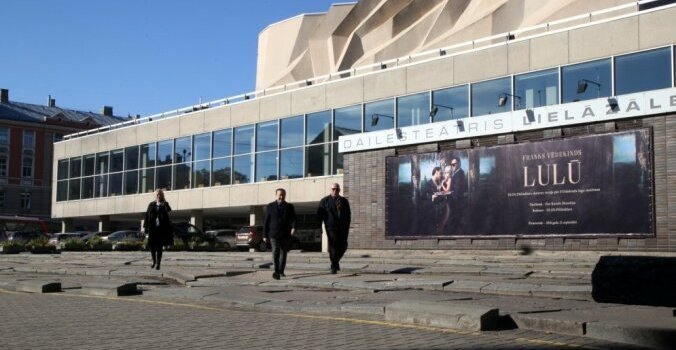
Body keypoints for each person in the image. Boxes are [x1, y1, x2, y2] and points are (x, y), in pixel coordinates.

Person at [317, 183, 351, 274]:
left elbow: (348, 216)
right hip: (330, 226)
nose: (334, 191)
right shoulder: (324, 201)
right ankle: (334, 267)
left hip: (342, 227)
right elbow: (319, 216)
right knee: (333, 245)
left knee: (343, 245)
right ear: (330, 190)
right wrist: (319, 228)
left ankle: (335, 262)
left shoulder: (344, 201)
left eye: (336, 189)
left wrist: (347, 227)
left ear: (339, 190)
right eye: (333, 189)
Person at [263, 188, 296, 280]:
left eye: (283, 195)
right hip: (274, 234)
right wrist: (264, 235)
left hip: (285, 234)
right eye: (280, 195)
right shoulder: (270, 206)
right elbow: (266, 221)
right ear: (276, 195)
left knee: (283, 253)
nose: (281, 197)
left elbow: (294, 219)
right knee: (275, 252)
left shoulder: (289, 207)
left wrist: (293, 227)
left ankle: (281, 271)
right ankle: (276, 271)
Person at [143, 189, 173, 270]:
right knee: (152, 246)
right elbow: (147, 216)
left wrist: (164, 202)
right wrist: (145, 227)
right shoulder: (151, 204)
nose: (158, 196)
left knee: (159, 247)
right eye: (157, 194)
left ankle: (158, 264)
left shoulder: (164, 204)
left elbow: (169, 210)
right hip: (152, 228)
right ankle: (154, 261)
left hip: (161, 229)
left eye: (160, 194)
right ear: (155, 195)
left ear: (162, 195)